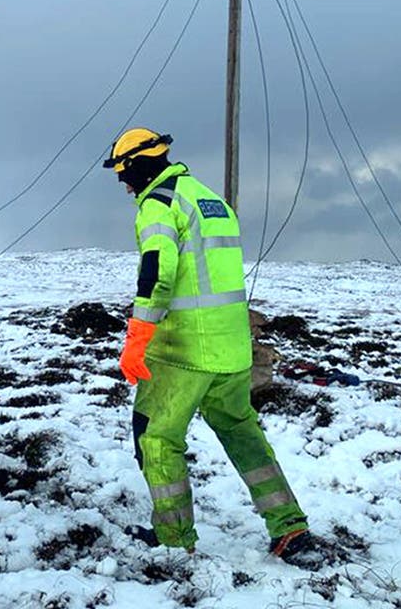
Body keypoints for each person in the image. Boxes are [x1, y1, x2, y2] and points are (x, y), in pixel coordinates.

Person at [103, 127, 312, 562]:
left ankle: (174, 539)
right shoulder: (209, 199)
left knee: (157, 438)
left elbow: (157, 274)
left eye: (124, 174)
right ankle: (289, 527)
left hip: (183, 351)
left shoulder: (158, 206)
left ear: (141, 166)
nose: (124, 186)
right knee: (242, 433)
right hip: (232, 348)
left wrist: (137, 338)